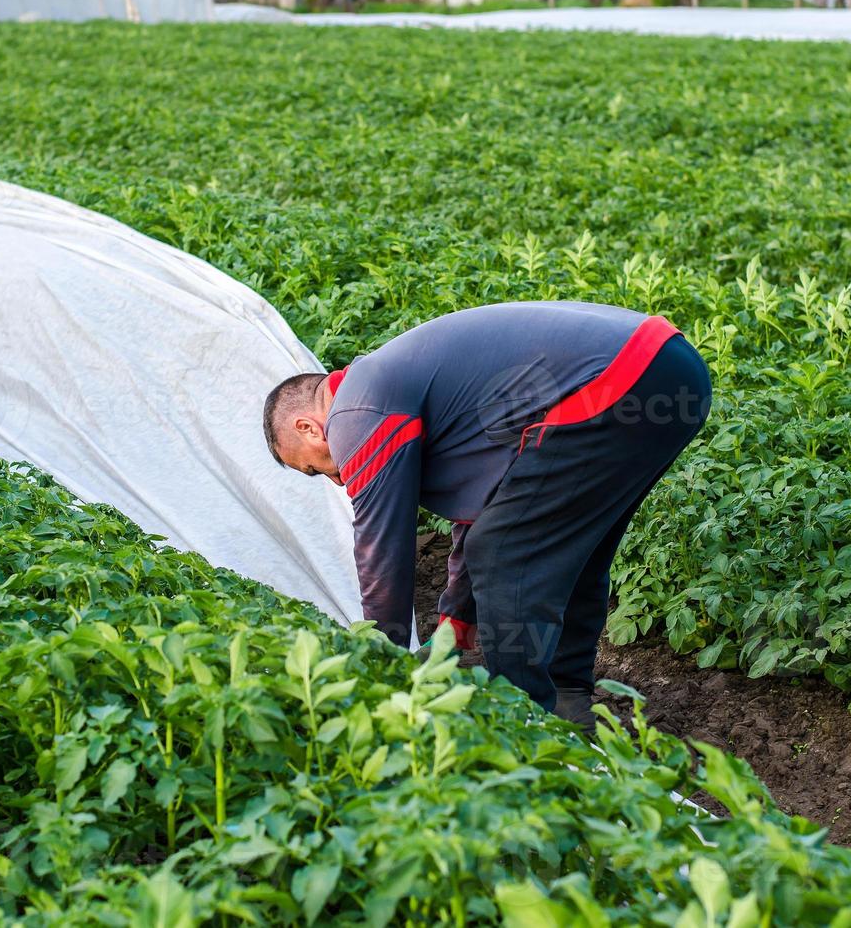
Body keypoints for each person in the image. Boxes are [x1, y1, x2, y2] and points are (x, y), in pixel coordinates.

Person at [262, 301, 710, 727]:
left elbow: (382, 551)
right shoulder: (393, 385)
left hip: (620, 381)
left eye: (313, 468)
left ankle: (525, 719)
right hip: (667, 370)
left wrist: (382, 664)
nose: (336, 480)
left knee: (504, 553)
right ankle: (566, 698)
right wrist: (452, 630)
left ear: (308, 427)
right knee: (569, 548)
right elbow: (486, 511)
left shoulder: (357, 411)